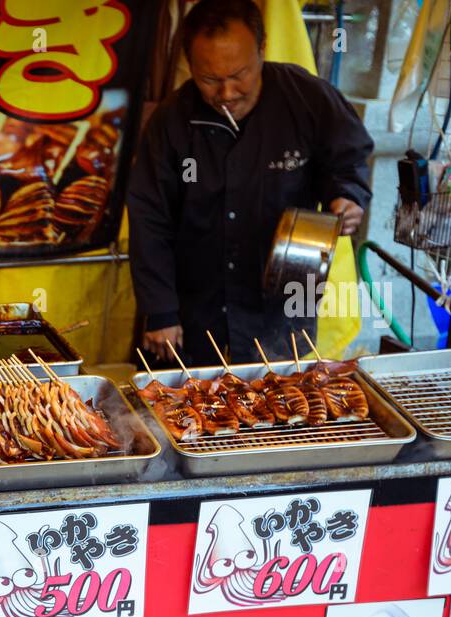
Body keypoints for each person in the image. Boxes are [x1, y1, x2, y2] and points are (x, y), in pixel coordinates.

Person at [127, 0, 374, 367]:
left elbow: (349, 159)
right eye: (210, 80)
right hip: (195, 316)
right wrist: (161, 310)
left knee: (285, 412)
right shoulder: (171, 121)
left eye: (239, 75)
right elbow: (150, 217)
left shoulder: (307, 98)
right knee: (187, 414)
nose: (226, 93)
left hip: (285, 311)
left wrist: (347, 196)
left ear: (262, 49)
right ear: (190, 65)